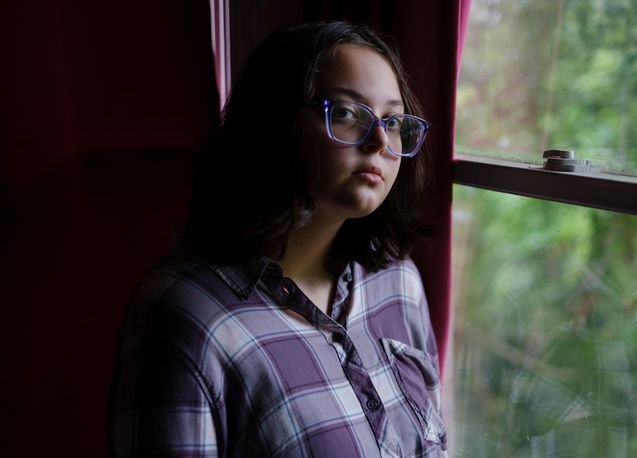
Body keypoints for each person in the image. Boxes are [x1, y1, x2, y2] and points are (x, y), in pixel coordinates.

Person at [109, 21, 446, 457]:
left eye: (393, 120)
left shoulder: (398, 279)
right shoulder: (187, 318)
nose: (380, 140)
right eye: (346, 113)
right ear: (276, 122)